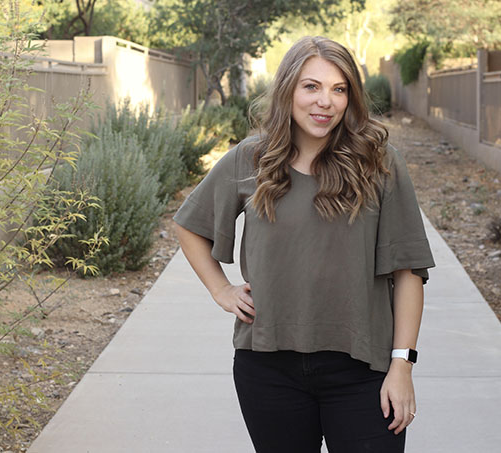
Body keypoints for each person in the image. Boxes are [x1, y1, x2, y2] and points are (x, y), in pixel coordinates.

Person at [173, 36, 435, 453]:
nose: (325, 102)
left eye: (339, 89)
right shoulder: (251, 159)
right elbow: (189, 225)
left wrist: (402, 365)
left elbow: (409, 273)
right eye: (311, 86)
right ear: (288, 90)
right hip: (268, 369)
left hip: (363, 370)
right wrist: (220, 289)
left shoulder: (380, 163)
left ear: (350, 97)